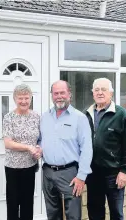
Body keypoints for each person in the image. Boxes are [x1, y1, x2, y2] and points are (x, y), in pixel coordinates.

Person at [39, 80, 93, 220]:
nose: (59, 96)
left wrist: (81, 176)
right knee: (52, 214)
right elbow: (41, 140)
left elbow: (87, 149)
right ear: (52, 95)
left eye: (62, 92)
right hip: (48, 172)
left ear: (70, 94)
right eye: (56, 93)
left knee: (73, 215)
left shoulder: (79, 118)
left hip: (70, 173)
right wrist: (38, 149)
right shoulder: (45, 117)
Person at [84, 78, 126, 220]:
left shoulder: (121, 114)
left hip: (113, 173)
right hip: (93, 172)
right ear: (93, 93)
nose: (100, 93)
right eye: (97, 90)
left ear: (111, 93)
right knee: (94, 210)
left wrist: (125, 171)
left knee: (116, 212)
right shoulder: (87, 114)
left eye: (104, 89)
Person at [2, 84, 42, 220]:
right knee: (13, 203)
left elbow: (40, 139)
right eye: (20, 98)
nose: (24, 101)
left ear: (30, 98)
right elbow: (8, 143)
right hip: (13, 167)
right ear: (14, 99)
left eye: (26, 98)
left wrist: (38, 150)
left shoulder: (36, 116)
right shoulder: (9, 118)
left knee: (27, 203)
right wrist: (28, 147)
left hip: (30, 166)